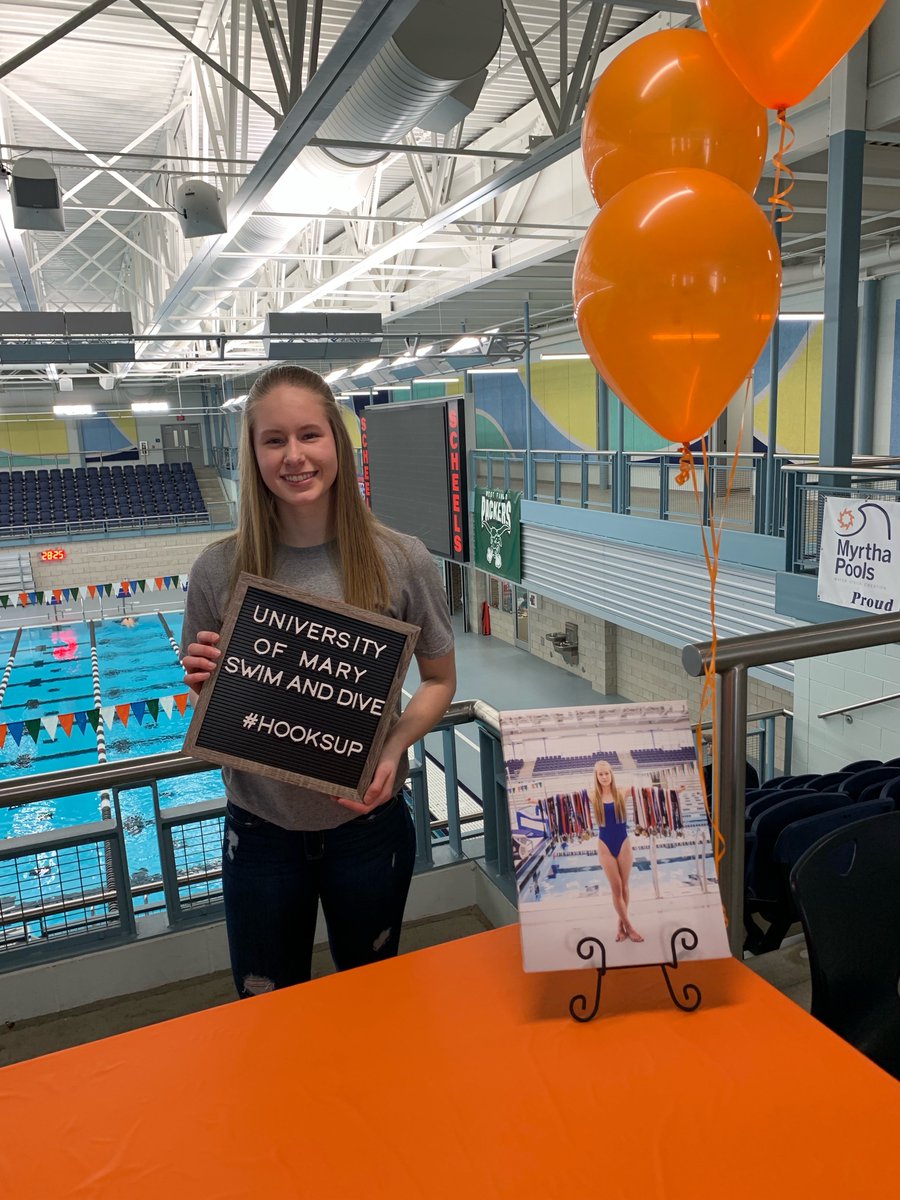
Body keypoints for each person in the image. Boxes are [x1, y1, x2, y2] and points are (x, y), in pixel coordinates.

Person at [181, 364, 456, 998]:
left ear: (337, 439)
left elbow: (440, 679)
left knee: (370, 996)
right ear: (253, 454)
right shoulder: (218, 570)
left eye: (310, 434)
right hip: (260, 835)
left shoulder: (400, 558)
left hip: (368, 827)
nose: (295, 455)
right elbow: (220, 700)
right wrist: (206, 684)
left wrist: (392, 746)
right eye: (274, 440)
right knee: (266, 1003)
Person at [590, 760, 643, 943]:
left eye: (607, 773)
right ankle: (630, 927)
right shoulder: (592, 796)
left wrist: (676, 792)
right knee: (617, 888)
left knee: (625, 886)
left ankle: (620, 926)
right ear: (596, 777)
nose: (604, 777)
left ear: (611, 773)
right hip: (605, 844)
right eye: (600, 774)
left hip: (623, 842)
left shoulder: (622, 791)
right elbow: (564, 800)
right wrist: (536, 801)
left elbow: (649, 794)